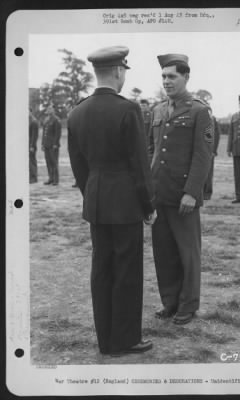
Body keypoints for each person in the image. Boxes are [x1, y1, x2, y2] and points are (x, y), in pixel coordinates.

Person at [68, 46, 156, 356]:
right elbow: (139, 165)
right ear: (119, 71)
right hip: (126, 203)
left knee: (101, 270)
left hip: (96, 202)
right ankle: (125, 339)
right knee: (127, 272)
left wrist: (91, 194)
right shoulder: (127, 109)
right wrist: (148, 206)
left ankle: (106, 340)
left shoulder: (77, 111)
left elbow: (78, 165)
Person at [149, 53, 213, 325]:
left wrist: (192, 192)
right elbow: (151, 150)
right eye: (163, 76)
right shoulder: (158, 110)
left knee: (187, 252)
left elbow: (203, 155)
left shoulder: (199, 110)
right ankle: (170, 301)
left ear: (186, 77)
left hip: (183, 194)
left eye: (172, 76)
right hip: (159, 193)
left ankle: (188, 305)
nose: (166, 81)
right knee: (163, 252)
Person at [203, 106, 221, 200]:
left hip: (208, 151)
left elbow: (213, 136)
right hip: (200, 151)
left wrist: (213, 150)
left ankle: (207, 193)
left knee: (208, 173)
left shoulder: (211, 120)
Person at [42, 104, 61, 185]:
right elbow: (44, 133)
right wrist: (42, 144)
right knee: (48, 162)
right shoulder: (46, 120)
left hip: (53, 145)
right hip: (46, 145)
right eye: (48, 109)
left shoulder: (56, 120)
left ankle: (56, 180)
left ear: (53, 110)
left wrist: (56, 144)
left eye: (50, 109)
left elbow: (58, 133)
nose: (49, 110)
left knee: (54, 162)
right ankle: (50, 178)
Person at [29, 109, 39, 183]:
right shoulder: (29, 121)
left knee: (32, 162)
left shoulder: (34, 121)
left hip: (31, 145)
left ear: (30, 112)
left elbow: (34, 136)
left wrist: (32, 146)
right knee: (29, 162)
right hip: (28, 145)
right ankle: (31, 177)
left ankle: (34, 178)